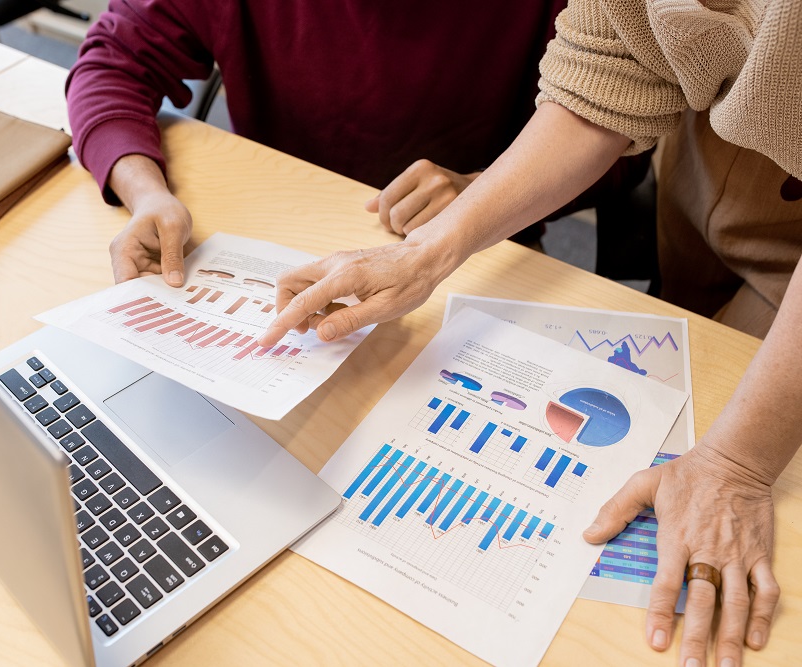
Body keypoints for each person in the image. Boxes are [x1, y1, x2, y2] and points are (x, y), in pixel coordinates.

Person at [260, 1, 800, 665]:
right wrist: (428, 251)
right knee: (688, 383)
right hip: (711, 179)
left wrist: (736, 464)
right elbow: (615, 61)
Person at [65, 0, 650, 285]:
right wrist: (146, 193)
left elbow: (620, 147)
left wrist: (476, 193)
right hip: (270, 248)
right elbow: (114, 60)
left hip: (479, 256)